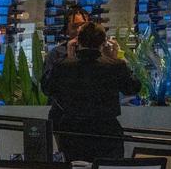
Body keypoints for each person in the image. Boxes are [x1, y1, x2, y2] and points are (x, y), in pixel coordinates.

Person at [41, 22, 139, 161]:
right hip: (106, 130)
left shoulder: (63, 66)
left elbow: (47, 88)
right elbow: (133, 88)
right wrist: (117, 58)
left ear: (78, 41)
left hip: (72, 131)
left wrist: (68, 57)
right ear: (103, 42)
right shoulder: (114, 66)